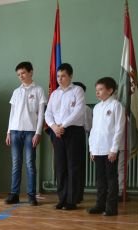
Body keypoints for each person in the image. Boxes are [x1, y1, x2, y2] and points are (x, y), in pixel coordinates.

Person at [44, 63, 86, 210]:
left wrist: (63, 125)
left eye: (63, 76)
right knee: (60, 166)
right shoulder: (55, 94)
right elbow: (48, 113)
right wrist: (54, 126)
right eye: (58, 76)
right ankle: (62, 198)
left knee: (73, 166)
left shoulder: (77, 90)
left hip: (73, 131)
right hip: (57, 132)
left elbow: (79, 111)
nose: (60, 79)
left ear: (70, 76)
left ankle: (71, 200)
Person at [5, 62, 47, 206]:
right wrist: (8, 132)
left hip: (31, 131)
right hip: (15, 131)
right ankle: (14, 194)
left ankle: (31, 195)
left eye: (23, 73)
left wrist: (38, 132)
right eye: (18, 74)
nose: (21, 76)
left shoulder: (38, 90)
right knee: (16, 164)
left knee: (30, 164)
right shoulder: (16, 92)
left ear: (31, 72)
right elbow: (12, 114)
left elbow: (41, 114)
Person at [87, 77, 125, 217]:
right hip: (98, 149)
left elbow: (119, 129)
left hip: (110, 150)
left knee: (111, 179)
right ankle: (100, 204)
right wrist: (92, 148)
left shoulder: (116, 106)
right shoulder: (97, 108)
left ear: (110, 90)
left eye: (101, 89)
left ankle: (111, 207)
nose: (97, 92)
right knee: (100, 179)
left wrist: (114, 149)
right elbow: (94, 130)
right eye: (96, 90)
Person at [73, 81, 93, 203]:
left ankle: (77, 195)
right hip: (64, 138)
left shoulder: (85, 109)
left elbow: (88, 127)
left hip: (78, 138)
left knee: (77, 167)